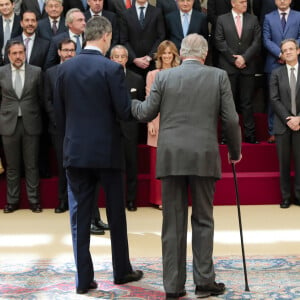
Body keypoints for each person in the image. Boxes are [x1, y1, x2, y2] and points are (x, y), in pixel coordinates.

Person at [131, 33, 242, 299]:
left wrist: (129, 102)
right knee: (203, 219)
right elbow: (231, 120)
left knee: (172, 223)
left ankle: (173, 287)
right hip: (204, 156)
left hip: (171, 157)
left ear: (181, 53)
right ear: (204, 55)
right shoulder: (218, 76)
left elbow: (145, 112)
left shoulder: (165, 77)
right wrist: (235, 152)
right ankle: (204, 283)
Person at [54, 16, 143, 294]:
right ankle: (121, 271)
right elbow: (124, 112)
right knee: (116, 214)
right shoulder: (111, 69)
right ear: (106, 36)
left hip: (75, 152)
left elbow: (59, 115)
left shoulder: (64, 70)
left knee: (79, 218)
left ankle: (83, 280)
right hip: (107, 152)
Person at [0, 40, 43, 213]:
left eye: (21, 53)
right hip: (8, 124)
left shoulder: (37, 71)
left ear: (25, 53)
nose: (18, 57)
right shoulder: (1, 72)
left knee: (32, 164)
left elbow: (41, 97)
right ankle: (12, 201)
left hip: (31, 123)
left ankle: (34, 200)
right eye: (14, 53)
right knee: (12, 166)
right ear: (8, 55)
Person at [214, 0, 261, 143]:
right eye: (241, 2)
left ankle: (250, 136)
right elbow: (219, 41)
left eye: (246, 2)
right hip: (228, 68)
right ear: (233, 3)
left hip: (248, 67)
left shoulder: (253, 19)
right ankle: (226, 136)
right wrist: (234, 59)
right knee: (228, 104)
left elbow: (257, 41)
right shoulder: (222, 19)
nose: (245, 4)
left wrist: (244, 58)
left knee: (247, 103)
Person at [146, 40, 180, 209]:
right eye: (164, 53)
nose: (167, 56)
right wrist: (150, 122)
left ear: (174, 55)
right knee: (158, 162)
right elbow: (148, 100)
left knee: (175, 161)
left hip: (177, 120)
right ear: (159, 56)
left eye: (170, 53)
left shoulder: (181, 72)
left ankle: (174, 198)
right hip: (157, 120)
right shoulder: (152, 75)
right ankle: (159, 199)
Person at [110, 44, 145, 211]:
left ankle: (131, 199)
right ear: (111, 59)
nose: (119, 60)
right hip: (110, 129)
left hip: (130, 129)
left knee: (131, 165)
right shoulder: (104, 76)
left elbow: (140, 105)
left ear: (126, 58)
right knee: (112, 168)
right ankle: (115, 201)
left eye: (122, 56)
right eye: (115, 57)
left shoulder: (136, 79)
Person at [44, 38, 77, 213]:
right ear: (59, 52)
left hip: (78, 127)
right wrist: (58, 121)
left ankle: (77, 200)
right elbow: (47, 100)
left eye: (72, 50)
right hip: (58, 128)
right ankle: (63, 200)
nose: (69, 53)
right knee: (62, 164)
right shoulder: (50, 73)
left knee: (77, 165)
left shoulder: (81, 70)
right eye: (65, 50)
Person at [263, 0, 300, 143]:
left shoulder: (298, 16)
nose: (282, 1)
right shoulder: (268, 17)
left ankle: (296, 123)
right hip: (274, 63)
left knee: (295, 96)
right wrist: (281, 54)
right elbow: (266, 40)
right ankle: (273, 131)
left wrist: (291, 52)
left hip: (295, 62)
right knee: (274, 98)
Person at [270, 38, 300, 209]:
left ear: (298, 51)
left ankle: (299, 195)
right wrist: (289, 119)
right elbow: (274, 99)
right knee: (284, 163)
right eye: (284, 50)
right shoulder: (276, 73)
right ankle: (286, 197)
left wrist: (299, 119)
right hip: (283, 125)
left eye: (291, 48)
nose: (288, 52)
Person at [119, 0, 165, 79]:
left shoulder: (157, 12)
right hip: (132, 65)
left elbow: (161, 37)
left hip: (152, 63)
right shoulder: (125, 14)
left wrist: (149, 57)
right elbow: (123, 40)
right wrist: (134, 59)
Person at [0, 0, 22, 65]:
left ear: (13, 5)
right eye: (1, 5)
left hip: (16, 61)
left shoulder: (21, 22)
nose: (4, 7)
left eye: (7, 4)